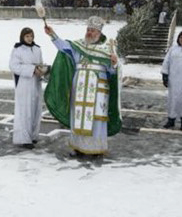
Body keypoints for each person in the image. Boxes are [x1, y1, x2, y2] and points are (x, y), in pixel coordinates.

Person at [44, 16, 121, 156]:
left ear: (99, 33)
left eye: (92, 30)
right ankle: (78, 147)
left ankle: (95, 149)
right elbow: (64, 47)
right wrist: (53, 35)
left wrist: (114, 64)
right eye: (88, 29)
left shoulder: (107, 49)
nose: (89, 32)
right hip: (79, 89)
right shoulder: (79, 46)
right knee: (78, 117)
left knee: (96, 120)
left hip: (98, 92)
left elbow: (112, 72)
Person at [9, 27, 45, 149]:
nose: (30, 39)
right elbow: (14, 66)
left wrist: (41, 71)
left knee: (35, 110)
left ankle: (33, 136)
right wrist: (31, 69)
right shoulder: (18, 50)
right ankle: (24, 138)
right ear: (22, 37)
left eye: (31, 36)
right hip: (24, 83)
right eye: (27, 36)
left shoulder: (37, 49)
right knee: (25, 111)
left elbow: (40, 63)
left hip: (35, 83)